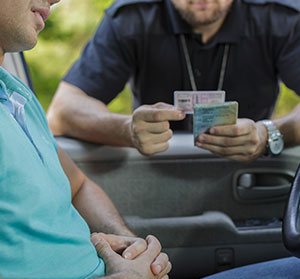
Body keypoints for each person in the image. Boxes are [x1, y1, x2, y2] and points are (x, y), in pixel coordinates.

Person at [1, 1, 300, 279]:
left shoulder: (17, 95)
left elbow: (77, 185)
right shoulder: (131, 17)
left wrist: (135, 251)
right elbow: (65, 109)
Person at [47, 0, 300, 162]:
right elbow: (63, 110)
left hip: (250, 177)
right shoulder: (131, 17)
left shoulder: (281, 18)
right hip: (155, 176)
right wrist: (127, 130)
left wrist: (268, 133)